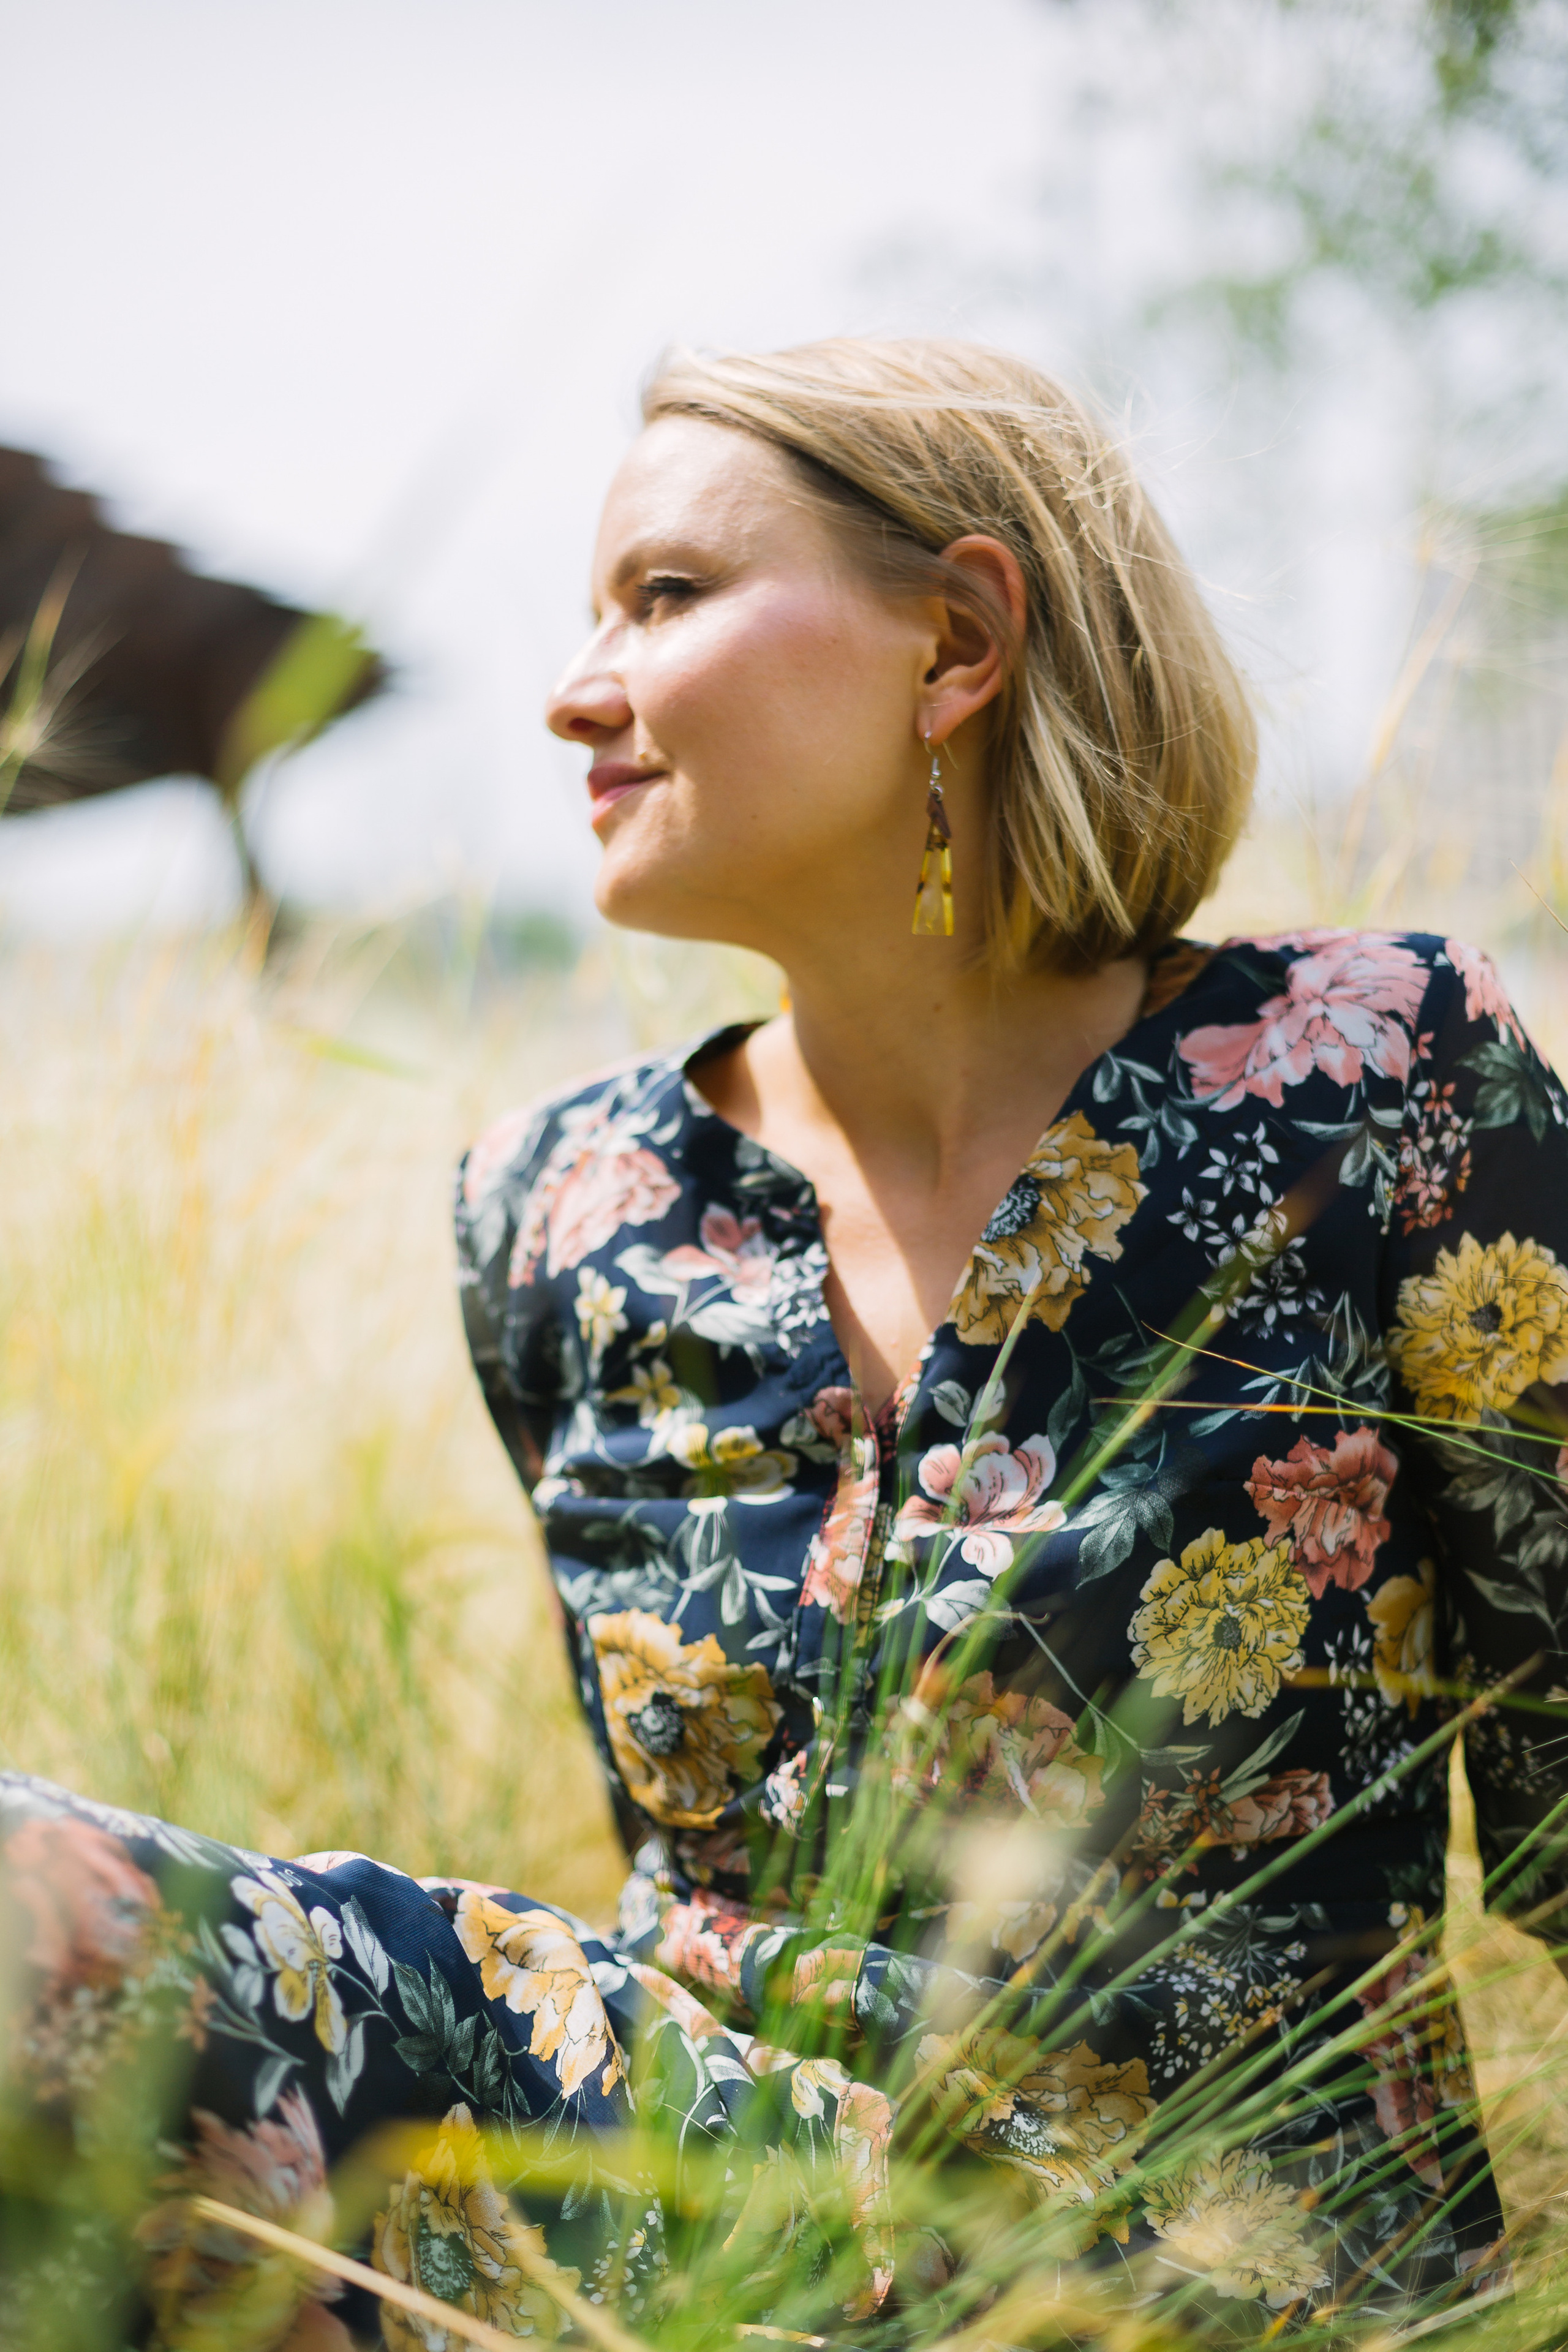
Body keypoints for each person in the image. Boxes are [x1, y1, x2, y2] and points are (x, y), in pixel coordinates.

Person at [4, 337, 1567, 2345]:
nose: (575, 689)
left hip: (1229, 2280)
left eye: (664, 596)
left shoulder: (1374, 1081)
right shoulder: (556, 1209)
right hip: (682, 2228)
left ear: (961, 642)